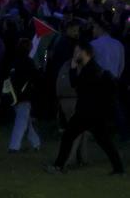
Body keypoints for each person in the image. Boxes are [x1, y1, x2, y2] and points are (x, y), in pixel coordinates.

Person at [48, 42, 125, 176]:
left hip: (86, 113)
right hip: (94, 113)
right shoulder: (92, 68)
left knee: (68, 136)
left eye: (77, 52)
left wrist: (72, 68)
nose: (75, 55)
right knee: (104, 141)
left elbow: (75, 84)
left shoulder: (91, 70)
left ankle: (58, 166)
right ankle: (119, 169)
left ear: (85, 53)